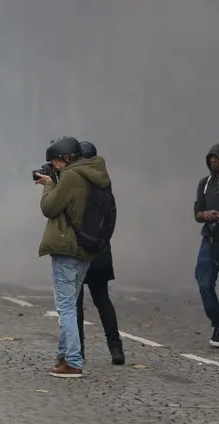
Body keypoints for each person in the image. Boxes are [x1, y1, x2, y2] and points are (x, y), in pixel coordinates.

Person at [35, 136, 112, 378]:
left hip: (67, 247)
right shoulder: (96, 174)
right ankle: (63, 357)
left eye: (56, 161)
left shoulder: (71, 176)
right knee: (70, 303)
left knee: (66, 307)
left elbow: (50, 207)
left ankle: (73, 361)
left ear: (67, 158)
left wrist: (49, 185)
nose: (54, 165)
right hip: (86, 248)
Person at [74, 141, 125, 365]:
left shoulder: (75, 179)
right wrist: (103, 242)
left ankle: (79, 351)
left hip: (78, 248)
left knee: (75, 302)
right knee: (103, 299)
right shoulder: (105, 181)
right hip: (101, 248)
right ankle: (116, 348)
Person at [193, 143, 219, 347]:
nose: (213, 161)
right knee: (203, 283)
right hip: (209, 240)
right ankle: (217, 322)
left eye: (216, 158)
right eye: (211, 158)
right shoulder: (204, 183)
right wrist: (205, 215)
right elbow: (197, 213)